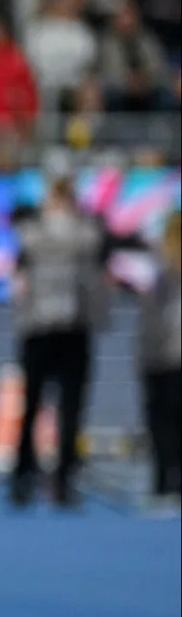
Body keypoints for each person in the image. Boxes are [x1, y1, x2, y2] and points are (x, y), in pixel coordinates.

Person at [7, 175, 140, 509]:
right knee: (65, 408)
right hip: (62, 329)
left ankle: (29, 476)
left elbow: (19, 270)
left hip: (48, 329)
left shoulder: (36, 232)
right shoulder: (83, 233)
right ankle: (58, 479)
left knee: (43, 407)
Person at [140, 213, 181, 510]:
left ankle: (167, 483)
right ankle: (163, 482)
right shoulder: (159, 273)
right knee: (161, 423)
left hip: (166, 358)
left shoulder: (162, 275)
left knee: (165, 423)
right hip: (159, 358)